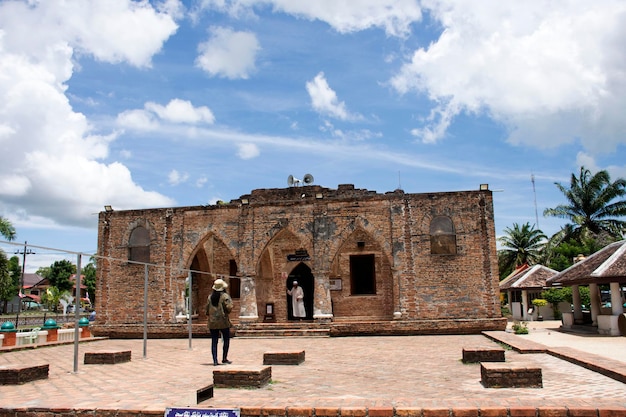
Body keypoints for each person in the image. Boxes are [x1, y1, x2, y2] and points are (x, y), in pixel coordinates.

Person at [206, 278, 233, 366]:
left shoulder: (210, 297)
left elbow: (207, 309)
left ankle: (215, 360)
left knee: (214, 341)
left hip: (212, 322)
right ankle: (224, 358)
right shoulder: (225, 296)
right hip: (223, 322)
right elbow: (229, 308)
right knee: (226, 340)